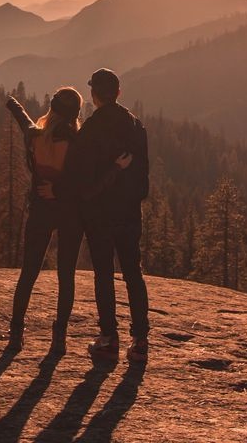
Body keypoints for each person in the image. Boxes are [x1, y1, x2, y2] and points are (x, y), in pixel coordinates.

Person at [59, 68, 151, 363]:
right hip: (129, 214)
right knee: (133, 274)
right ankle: (140, 341)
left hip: (100, 216)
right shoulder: (136, 126)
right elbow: (143, 177)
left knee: (104, 275)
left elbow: (81, 183)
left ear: (93, 95)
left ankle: (109, 339)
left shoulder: (90, 129)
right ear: (119, 93)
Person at [4, 87, 87, 355]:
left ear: (52, 111)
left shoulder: (35, 137)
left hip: (41, 210)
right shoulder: (78, 144)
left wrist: (13, 104)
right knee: (66, 276)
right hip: (71, 213)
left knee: (29, 272)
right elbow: (83, 181)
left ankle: (16, 333)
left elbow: (23, 119)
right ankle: (59, 337)